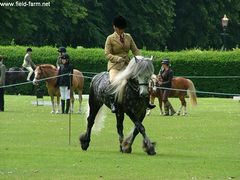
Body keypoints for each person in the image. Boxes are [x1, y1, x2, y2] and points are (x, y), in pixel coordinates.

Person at [105, 15, 155, 113]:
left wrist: (141, 59)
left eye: (123, 29)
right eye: (120, 29)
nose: (122, 31)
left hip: (128, 66)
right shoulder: (110, 38)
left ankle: (146, 101)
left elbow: (135, 50)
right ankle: (113, 103)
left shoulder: (128, 37)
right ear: (115, 27)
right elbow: (107, 54)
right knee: (113, 81)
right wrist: (117, 58)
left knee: (141, 80)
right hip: (115, 66)